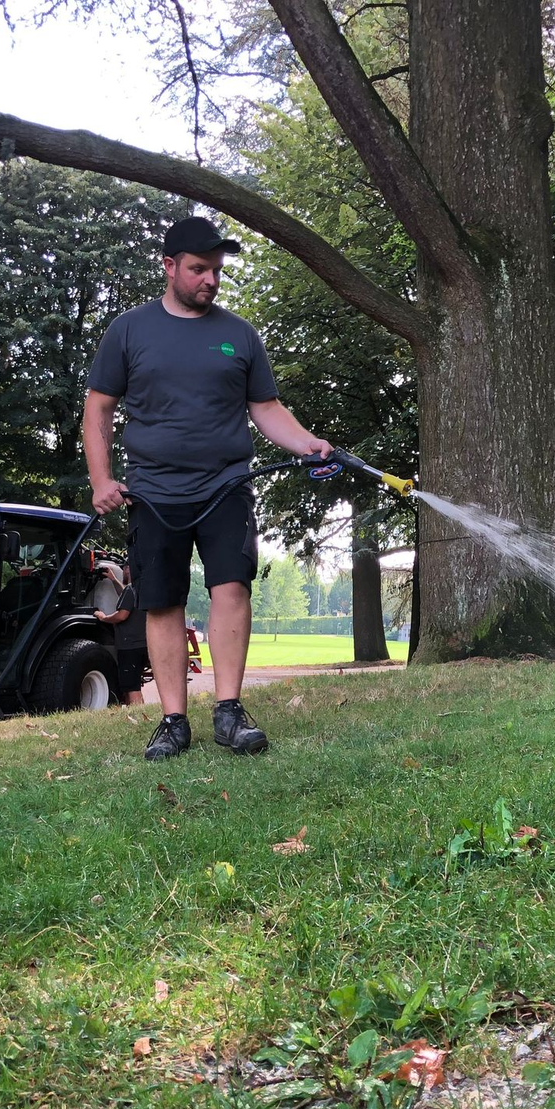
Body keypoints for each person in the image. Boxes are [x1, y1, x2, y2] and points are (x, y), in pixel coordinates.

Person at [83, 214, 331, 760]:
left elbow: (265, 409)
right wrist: (101, 479)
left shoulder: (239, 334)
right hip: (152, 492)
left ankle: (228, 712)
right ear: (169, 266)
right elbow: (99, 407)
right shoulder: (128, 331)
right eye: (199, 269)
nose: (210, 280)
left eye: (216, 271)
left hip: (226, 486)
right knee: (163, 602)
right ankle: (174, 720)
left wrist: (308, 442)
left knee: (232, 588)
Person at [93, 562, 148, 706]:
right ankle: (138, 716)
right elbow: (125, 596)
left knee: (131, 687)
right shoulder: (142, 589)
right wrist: (113, 579)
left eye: (123, 569)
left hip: (129, 646)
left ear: (129, 569)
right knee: (134, 683)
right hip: (142, 645)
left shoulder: (131, 589)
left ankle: (139, 717)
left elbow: (122, 615)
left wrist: (104, 617)